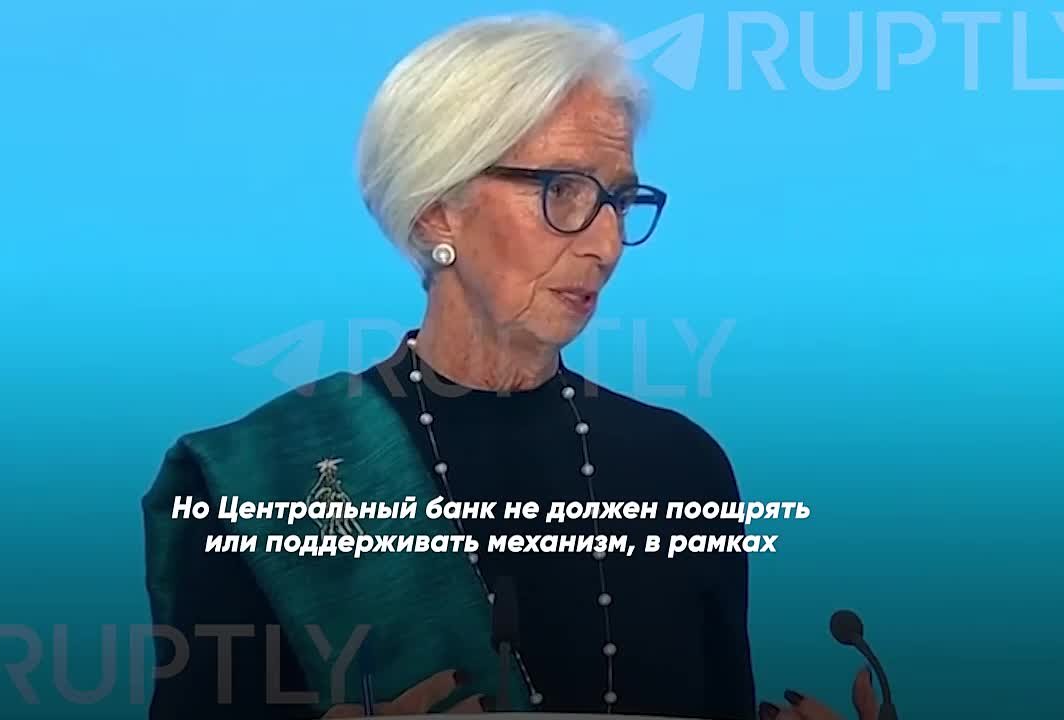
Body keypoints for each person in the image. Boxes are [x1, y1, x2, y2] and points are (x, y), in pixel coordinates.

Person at [141, 13, 874, 720]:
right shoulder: (265, 477)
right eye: (564, 192)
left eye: (619, 200)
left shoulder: (685, 468)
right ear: (437, 209)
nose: (606, 246)